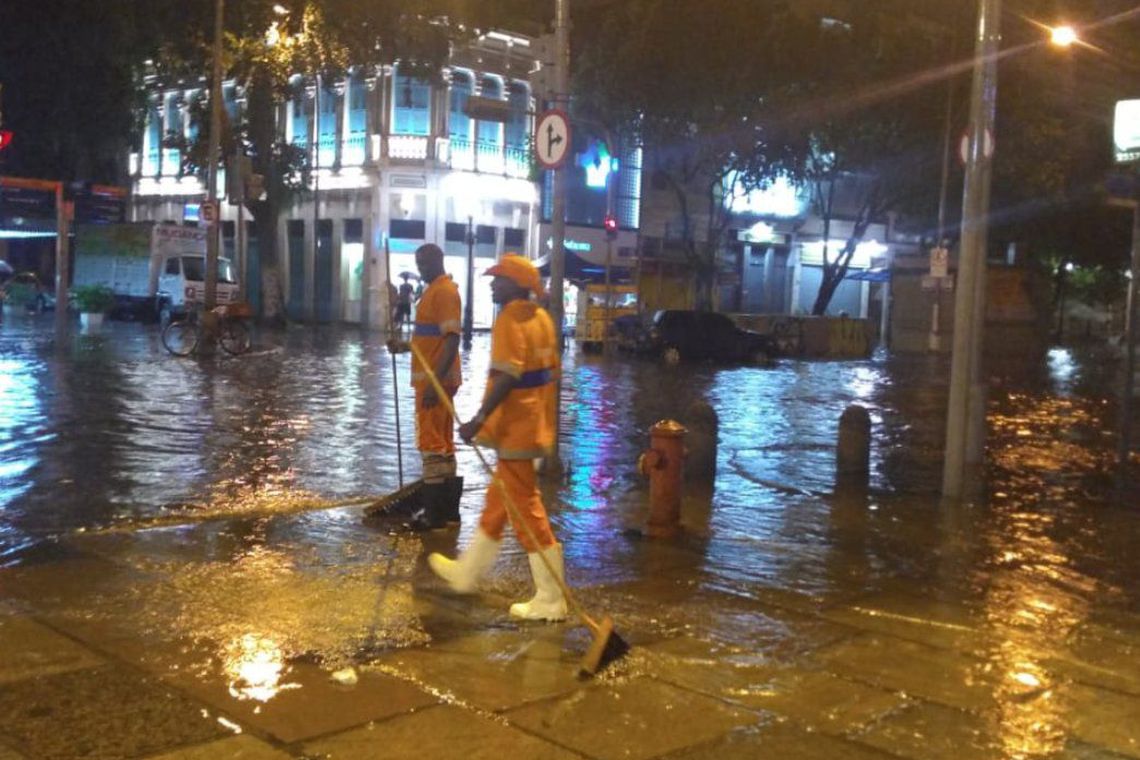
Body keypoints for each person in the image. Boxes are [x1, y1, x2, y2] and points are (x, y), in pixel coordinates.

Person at [428, 254, 567, 621]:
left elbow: (508, 374)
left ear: (518, 286)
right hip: (535, 426)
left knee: (526, 510)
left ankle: (551, 598)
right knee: (497, 504)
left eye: (499, 280)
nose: (492, 284)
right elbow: (551, 375)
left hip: (516, 431)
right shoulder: (544, 321)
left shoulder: (509, 319)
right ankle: (467, 574)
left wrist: (478, 418)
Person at [390, 244, 464, 531]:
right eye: (418, 263)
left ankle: (434, 517)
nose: (421, 268)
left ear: (439, 260)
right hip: (438, 380)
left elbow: (451, 339)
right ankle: (448, 515)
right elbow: (429, 339)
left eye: (425, 262)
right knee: (443, 444)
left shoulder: (444, 291)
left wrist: (434, 381)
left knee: (431, 444)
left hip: (436, 383)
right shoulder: (433, 290)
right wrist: (405, 346)